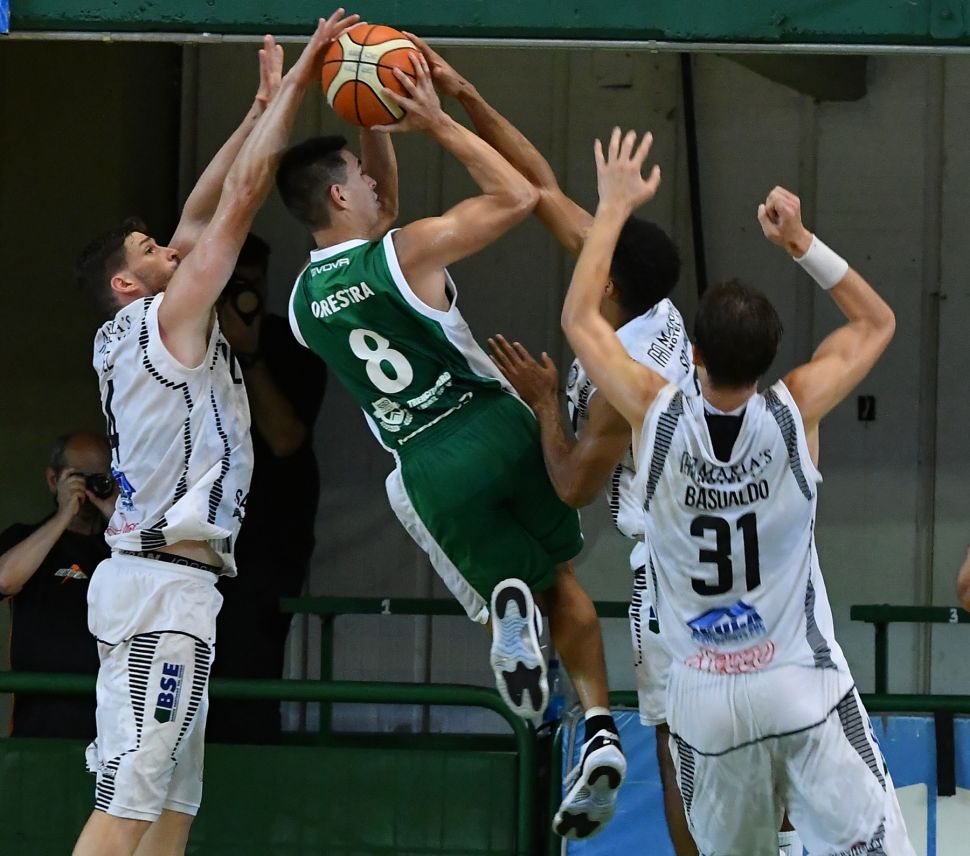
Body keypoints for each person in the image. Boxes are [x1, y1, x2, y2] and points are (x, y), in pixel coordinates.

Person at [423, 42, 804, 856]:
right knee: (750, 726)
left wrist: (541, 404)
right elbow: (537, 190)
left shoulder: (617, 386)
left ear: (607, 283)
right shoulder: (650, 305)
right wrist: (463, 94)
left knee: (674, 738)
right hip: (737, 556)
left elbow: (570, 485)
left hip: (674, 562)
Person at [279, 49, 624, 839]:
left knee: (517, 582)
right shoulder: (407, 252)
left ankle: (508, 617)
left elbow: (379, 208)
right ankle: (601, 723)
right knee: (563, 574)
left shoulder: (302, 303)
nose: (375, 186)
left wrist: (370, 121)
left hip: (427, 465)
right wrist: (436, 121)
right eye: (359, 178)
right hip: (496, 425)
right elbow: (518, 195)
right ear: (340, 194)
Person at [561, 127, 912, 855]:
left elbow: (579, 320)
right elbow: (877, 321)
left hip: (705, 701)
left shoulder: (651, 410)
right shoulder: (796, 409)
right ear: (772, 357)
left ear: (691, 355)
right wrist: (799, 241)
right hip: (799, 683)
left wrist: (614, 206)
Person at [70, 13, 360, 855]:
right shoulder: (167, 319)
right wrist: (296, 90)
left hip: (175, 586)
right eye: (148, 247)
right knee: (132, 804)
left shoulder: (148, 322)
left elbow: (201, 212)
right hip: (160, 588)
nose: (169, 244)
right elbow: (230, 210)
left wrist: (254, 111)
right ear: (128, 283)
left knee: (171, 809)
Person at [206, 233, 327, 745]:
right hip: (195, 536)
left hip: (267, 540)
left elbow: (285, 439)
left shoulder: (292, 345)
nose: (239, 296)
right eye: (228, 285)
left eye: (249, 285)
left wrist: (249, 354)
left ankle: (251, 775)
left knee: (250, 674)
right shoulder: (183, 339)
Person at [0, 432, 113, 738]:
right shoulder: (26, 538)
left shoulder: (122, 547)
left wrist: (119, 519)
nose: (89, 487)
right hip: (41, 724)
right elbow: (4, 580)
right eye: (79, 477)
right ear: (54, 480)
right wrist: (64, 515)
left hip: (114, 725)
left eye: (100, 478)